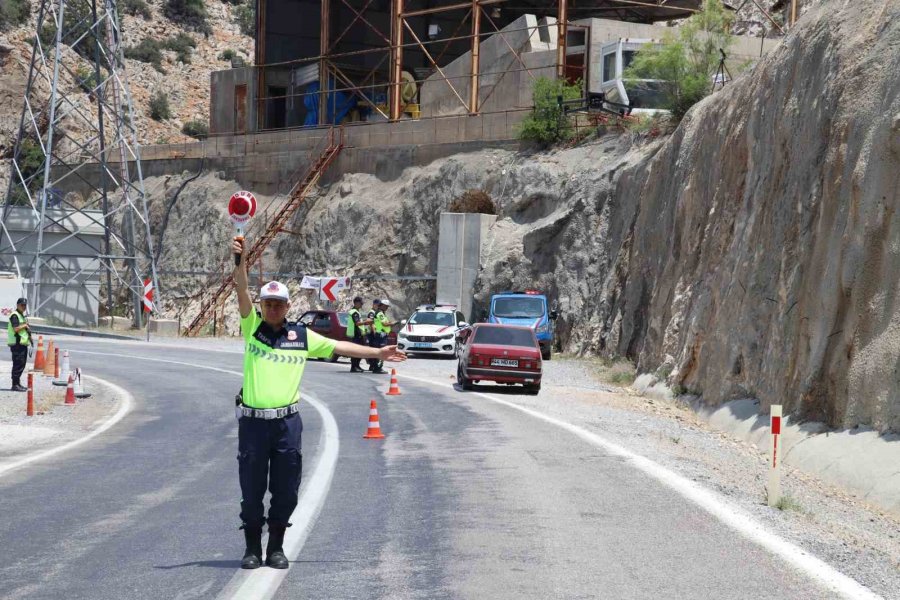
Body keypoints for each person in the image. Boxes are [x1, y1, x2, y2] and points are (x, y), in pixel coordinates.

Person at [232, 238, 406, 570]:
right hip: (253, 424)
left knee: (286, 489)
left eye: (277, 304)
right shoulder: (251, 328)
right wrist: (239, 260)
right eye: (266, 304)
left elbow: (341, 346)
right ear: (261, 306)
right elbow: (240, 289)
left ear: (286, 307)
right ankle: (252, 548)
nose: (271, 309)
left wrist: (378, 353)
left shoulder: (301, 337)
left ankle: (276, 548)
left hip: (286, 424)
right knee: (252, 490)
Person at [7, 298, 30, 392]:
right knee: (17, 364)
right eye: (22, 305)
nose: (24, 307)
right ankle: (15, 385)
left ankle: (18, 383)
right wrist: (25, 325)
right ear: (17, 305)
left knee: (21, 364)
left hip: (22, 344)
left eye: (25, 305)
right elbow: (16, 329)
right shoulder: (15, 315)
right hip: (17, 344)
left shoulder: (21, 315)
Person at [369, 299, 396, 374]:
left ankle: (375, 367)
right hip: (381, 335)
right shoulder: (380, 313)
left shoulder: (381, 313)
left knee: (379, 351)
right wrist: (393, 323)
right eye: (386, 306)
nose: (387, 308)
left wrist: (389, 323)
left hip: (381, 334)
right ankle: (378, 368)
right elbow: (384, 324)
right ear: (383, 305)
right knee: (382, 351)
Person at [346, 296, 371, 373]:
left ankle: (357, 366)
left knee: (359, 351)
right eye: (361, 303)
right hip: (355, 334)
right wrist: (366, 322)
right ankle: (354, 367)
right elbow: (357, 323)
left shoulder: (356, 312)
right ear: (356, 303)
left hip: (358, 334)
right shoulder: (354, 312)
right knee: (356, 351)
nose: (362, 305)